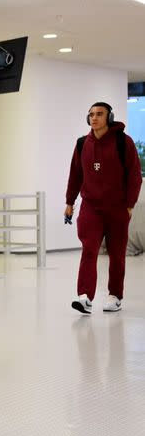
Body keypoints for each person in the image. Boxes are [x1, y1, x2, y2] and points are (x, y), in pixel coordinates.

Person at [65, 102, 142, 314]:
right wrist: (70, 203)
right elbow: (75, 176)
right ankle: (84, 297)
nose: (94, 118)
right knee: (89, 249)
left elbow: (135, 176)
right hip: (91, 208)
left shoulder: (123, 142)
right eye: (91, 114)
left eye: (99, 114)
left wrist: (129, 205)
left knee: (116, 254)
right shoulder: (82, 144)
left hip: (117, 208)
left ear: (109, 117)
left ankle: (115, 295)